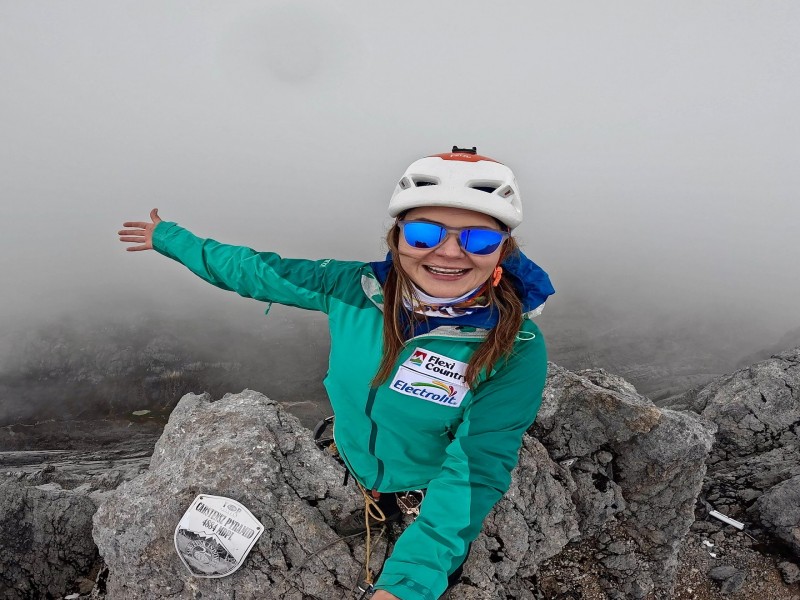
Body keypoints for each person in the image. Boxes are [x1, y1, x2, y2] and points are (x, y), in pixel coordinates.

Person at [119, 147, 554, 600]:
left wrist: (405, 587)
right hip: (350, 462)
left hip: (429, 487)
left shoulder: (515, 348)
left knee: (439, 571)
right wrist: (170, 239)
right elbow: (256, 272)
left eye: (478, 240)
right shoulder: (354, 287)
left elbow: (474, 470)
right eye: (424, 233)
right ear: (397, 238)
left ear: (503, 249)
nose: (448, 252)